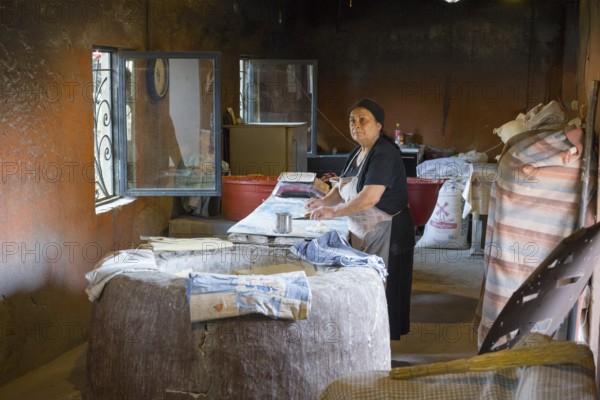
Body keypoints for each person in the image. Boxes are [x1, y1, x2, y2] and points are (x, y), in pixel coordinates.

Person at [304, 98, 415, 339]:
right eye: (352, 121)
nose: (356, 125)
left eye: (363, 120)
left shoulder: (384, 152)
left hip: (388, 230)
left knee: (384, 291)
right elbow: (343, 186)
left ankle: (379, 348)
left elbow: (369, 197)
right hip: (366, 231)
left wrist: (334, 212)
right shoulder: (358, 151)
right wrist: (324, 202)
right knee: (368, 287)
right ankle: (367, 337)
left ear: (378, 125)